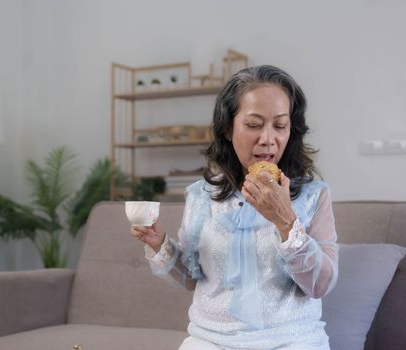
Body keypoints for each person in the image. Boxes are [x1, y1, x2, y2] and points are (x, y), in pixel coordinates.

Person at [131, 65, 339, 350]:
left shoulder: (313, 195)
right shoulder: (201, 196)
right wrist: (159, 245)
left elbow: (321, 286)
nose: (268, 139)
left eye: (280, 125)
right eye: (254, 125)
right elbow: (193, 279)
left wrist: (285, 220)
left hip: (292, 340)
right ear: (228, 128)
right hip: (210, 340)